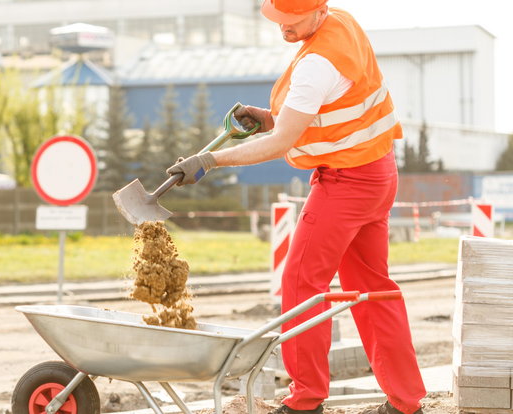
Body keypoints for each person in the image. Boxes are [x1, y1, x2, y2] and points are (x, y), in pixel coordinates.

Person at [166, 1, 427, 413]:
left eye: (293, 21)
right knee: (373, 290)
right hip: (377, 171)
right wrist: (269, 116)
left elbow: (282, 143)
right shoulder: (342, 23)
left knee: (302, 284)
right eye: (279, 20)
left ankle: (305, 400)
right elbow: (329, 110)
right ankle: (406, 401)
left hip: (346, 183)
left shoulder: (316, 64)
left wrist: (210, 160)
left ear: (319, 12)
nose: (284, 28)